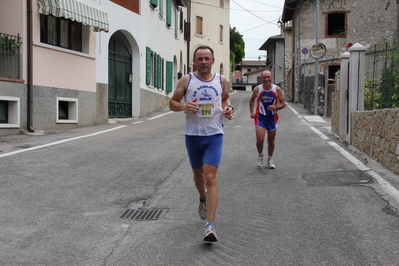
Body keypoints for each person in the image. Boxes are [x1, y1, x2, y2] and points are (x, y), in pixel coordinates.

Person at [169, 45, 234, 242]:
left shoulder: (221, 80)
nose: (203, 62)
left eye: (207, 58)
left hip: (214, 134)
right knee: (198, 175)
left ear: (213, 60)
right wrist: (183, 106)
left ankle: (210, 226)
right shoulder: (187, 80)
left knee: (210, 177)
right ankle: (203, 198)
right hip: (193, 135)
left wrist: (228, 108)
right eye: (200, 59)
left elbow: (225, 99)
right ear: (194, 62)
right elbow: (172, 103)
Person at [249, 70, 286, 169]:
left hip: (272, 118)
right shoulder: (257, 89)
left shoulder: (276, 89)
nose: (266, 79)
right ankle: (260, 155)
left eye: (268, 77)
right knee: (260, 140)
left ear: (271, 77)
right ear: (262, 79)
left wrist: (276, 108)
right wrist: (252, 112)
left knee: (271, 140)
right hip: (260, 117)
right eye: (264, 77)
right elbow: (252, 99)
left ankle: (270, 159)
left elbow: (283, 103)